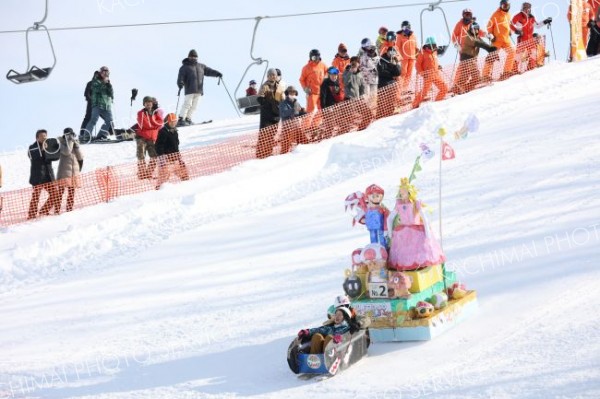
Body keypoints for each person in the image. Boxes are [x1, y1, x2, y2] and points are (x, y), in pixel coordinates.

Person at [387, 178, 445, 271]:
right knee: (404, 252)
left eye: (404, 191)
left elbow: (424, 217)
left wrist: (428, 232)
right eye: (400, 192)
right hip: (403, 231)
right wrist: (390, 233)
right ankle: (408, 270)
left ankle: (420, 268)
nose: (402, 194)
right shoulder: (398, 204)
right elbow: (390, 218)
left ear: (409, 192)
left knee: (419, 250)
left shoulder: (415, 204)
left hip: (416, 230)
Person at [177, 49, 222, 126]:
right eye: (192, 57)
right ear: (188, 57)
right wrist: (180, 83)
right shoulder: (184, 67)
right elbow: (181, 77)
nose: (193, 58)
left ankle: (188, 118)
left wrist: (217, 73)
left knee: (194, 106)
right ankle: (181, 119)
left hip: (199, 90)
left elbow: (209, 71)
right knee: (187, 104)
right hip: (189, 89)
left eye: (195, 57)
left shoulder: (201, 66)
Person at [454, 22, 497, 94]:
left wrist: (491, 48)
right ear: (471, 29)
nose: (475, 31)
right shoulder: (468, 37)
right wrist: (489, 48)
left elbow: (483, 43)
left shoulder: (477, 37)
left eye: (477, 29)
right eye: (473, 29)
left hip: (469, 59)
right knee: (475, 76)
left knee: (465, 76)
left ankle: (460, 89)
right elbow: (479, 43)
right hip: (468, 58)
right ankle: (460, 89)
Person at [27, 129, 60, 219]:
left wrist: (56, 148)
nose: (44, 138)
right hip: (37, 177)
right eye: (42, 136)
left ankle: (44, 210)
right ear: (37, 138)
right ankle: (31, 215)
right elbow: (31, 156)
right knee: (36, 197)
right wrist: (42, 149)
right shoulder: (32, 147)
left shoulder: (48, 146)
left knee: (55, 194)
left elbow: (55, 157)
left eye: (45, 136)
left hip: (48, 176)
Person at [485, 0, 518, 81]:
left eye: (507, 6)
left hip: (506, 39)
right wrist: (491, 36)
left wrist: (509, 31)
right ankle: (485, 76)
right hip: (497, 40)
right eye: (504, 6)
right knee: (491, 57)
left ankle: (507, 71)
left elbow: (507, 24)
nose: (505, 8)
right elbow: (489, 26)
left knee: (512, 52)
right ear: (500, 6)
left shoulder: (508, 15)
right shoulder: (496, 14)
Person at [155, 113, 189, 189]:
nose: (173, 123)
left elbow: (176, 144)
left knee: (182, 170)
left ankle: (186, 184)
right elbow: (158, 145)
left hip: (175, 156)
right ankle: (159, 188)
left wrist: (178, 156)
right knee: (164, 174)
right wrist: (162, 156)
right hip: (165, 158)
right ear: (167, 122)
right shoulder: (163, 132)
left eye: (175, 121)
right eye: (171, 122)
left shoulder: (175, 131)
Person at [256, 68, 285, 158]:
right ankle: (261, 153)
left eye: (274, 75)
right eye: (270, 75)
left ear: (276, 76)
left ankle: (268, 151)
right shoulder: (265, 86)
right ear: (267, 76)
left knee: (272, 133)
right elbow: (259, 98)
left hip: (276, 113)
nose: (272, 76)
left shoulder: (279, 86)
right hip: (267, 113)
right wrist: (266, 102)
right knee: (264, 133)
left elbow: (282, 98)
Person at [413, 37, 448, 108]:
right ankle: (415, 104)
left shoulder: (434, 52)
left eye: (435, 45)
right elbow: (417, 65)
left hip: (436, 74)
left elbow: (433, 62)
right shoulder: (422, 53)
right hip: (428, 75)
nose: (434, 46)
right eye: (433, 45)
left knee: (444, 88)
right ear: (428, 45)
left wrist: (438, 66)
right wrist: (423, 74)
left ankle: (437, 102)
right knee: (425, 92)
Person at [56, 128, 84, 212]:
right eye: (68, 134)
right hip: (63, 172)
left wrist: (76, 145)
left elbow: (80, 157)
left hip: (73, 172)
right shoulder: (61, 143)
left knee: (71, 193)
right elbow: (67, 151)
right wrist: (70, 141)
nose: (69, 136)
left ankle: (69, 210)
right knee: (60, 193)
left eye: (71, 134)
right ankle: (57, 210)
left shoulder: (74, 143)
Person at [136, 96, 164, 179]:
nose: (148, 104)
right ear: (144, 104)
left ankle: (148, 173)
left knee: (154, 156)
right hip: (142, 136)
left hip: (152, 137)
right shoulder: (141, 113)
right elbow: (143, 124)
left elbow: (160, 123)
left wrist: (154, 124)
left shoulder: (155, 113)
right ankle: (141, 173)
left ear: (152, 103)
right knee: (141, 154)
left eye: (150, 102)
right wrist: (154, 125)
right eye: (146, 103)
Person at [83, 66, 114, 141]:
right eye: (104, 72)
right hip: (97, 104)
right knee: (94, 119)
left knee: (109, 120)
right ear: (100, 72)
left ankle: (101, 135)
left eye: (107, 72)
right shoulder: (95, 81)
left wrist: (109, 85)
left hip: (107, 105)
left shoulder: (108, 82)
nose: (105, 74)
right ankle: (86, 136)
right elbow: (97, 89)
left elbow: (111, 94)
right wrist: (104, 83)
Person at [278, 85, 307, 154]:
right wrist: (293, 110)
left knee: (303, 141)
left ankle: (306, 153)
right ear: (287, 93)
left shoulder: (297, 103)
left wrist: (303, 112)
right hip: (287, 128)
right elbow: (283, 113)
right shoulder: (283, 103)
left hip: (296, 126)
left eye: (294, 92)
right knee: (285, 146)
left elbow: (299, 114)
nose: (292, 93)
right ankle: (283, 157)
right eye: (290, 92)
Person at [299, 49, 328, 114]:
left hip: (321, 92)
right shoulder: (306, 68)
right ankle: (306, 124)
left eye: (318, 57)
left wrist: (326, 77)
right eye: (315, 57)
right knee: (310, 111)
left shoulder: (322, 65)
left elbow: (328, 71)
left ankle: (316, 124)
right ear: (311, 57)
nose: (317, 59)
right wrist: (305, 88)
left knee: (322, 111)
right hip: (312, 93)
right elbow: (301, 80)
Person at [377, 46, 402, 117]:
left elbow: (398, 72)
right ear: (387, 52)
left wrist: (395, 65)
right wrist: (391, 75)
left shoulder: (394, 60)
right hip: (383, 83)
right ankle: (380, 115)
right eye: (390, 52)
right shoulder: (382, 60)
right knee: (382, 101)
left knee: (391, 100)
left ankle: (390, 113)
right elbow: (381, 71)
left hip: (392, 84)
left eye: (393, 53)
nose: (391, 54)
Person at [396, 21, 418, 95]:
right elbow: (397, 47)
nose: (405, 29)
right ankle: (400, 90)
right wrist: (399, 56)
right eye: (403, 27)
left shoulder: (413, 36)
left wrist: (417, 54)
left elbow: (415, 46)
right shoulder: (399, 36)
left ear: (409, 27)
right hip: (404, 57)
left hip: (412, 57)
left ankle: (405, 89)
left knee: (409, 73)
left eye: (406, 27)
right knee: (403, 73)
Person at [79, 70, 100, 141]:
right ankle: (82, 134)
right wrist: (91, 100)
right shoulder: (90, 83)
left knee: (106, 118)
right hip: (91, 104)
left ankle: (109, 132)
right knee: (88, 117)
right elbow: (86, 93)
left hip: (100, 104)